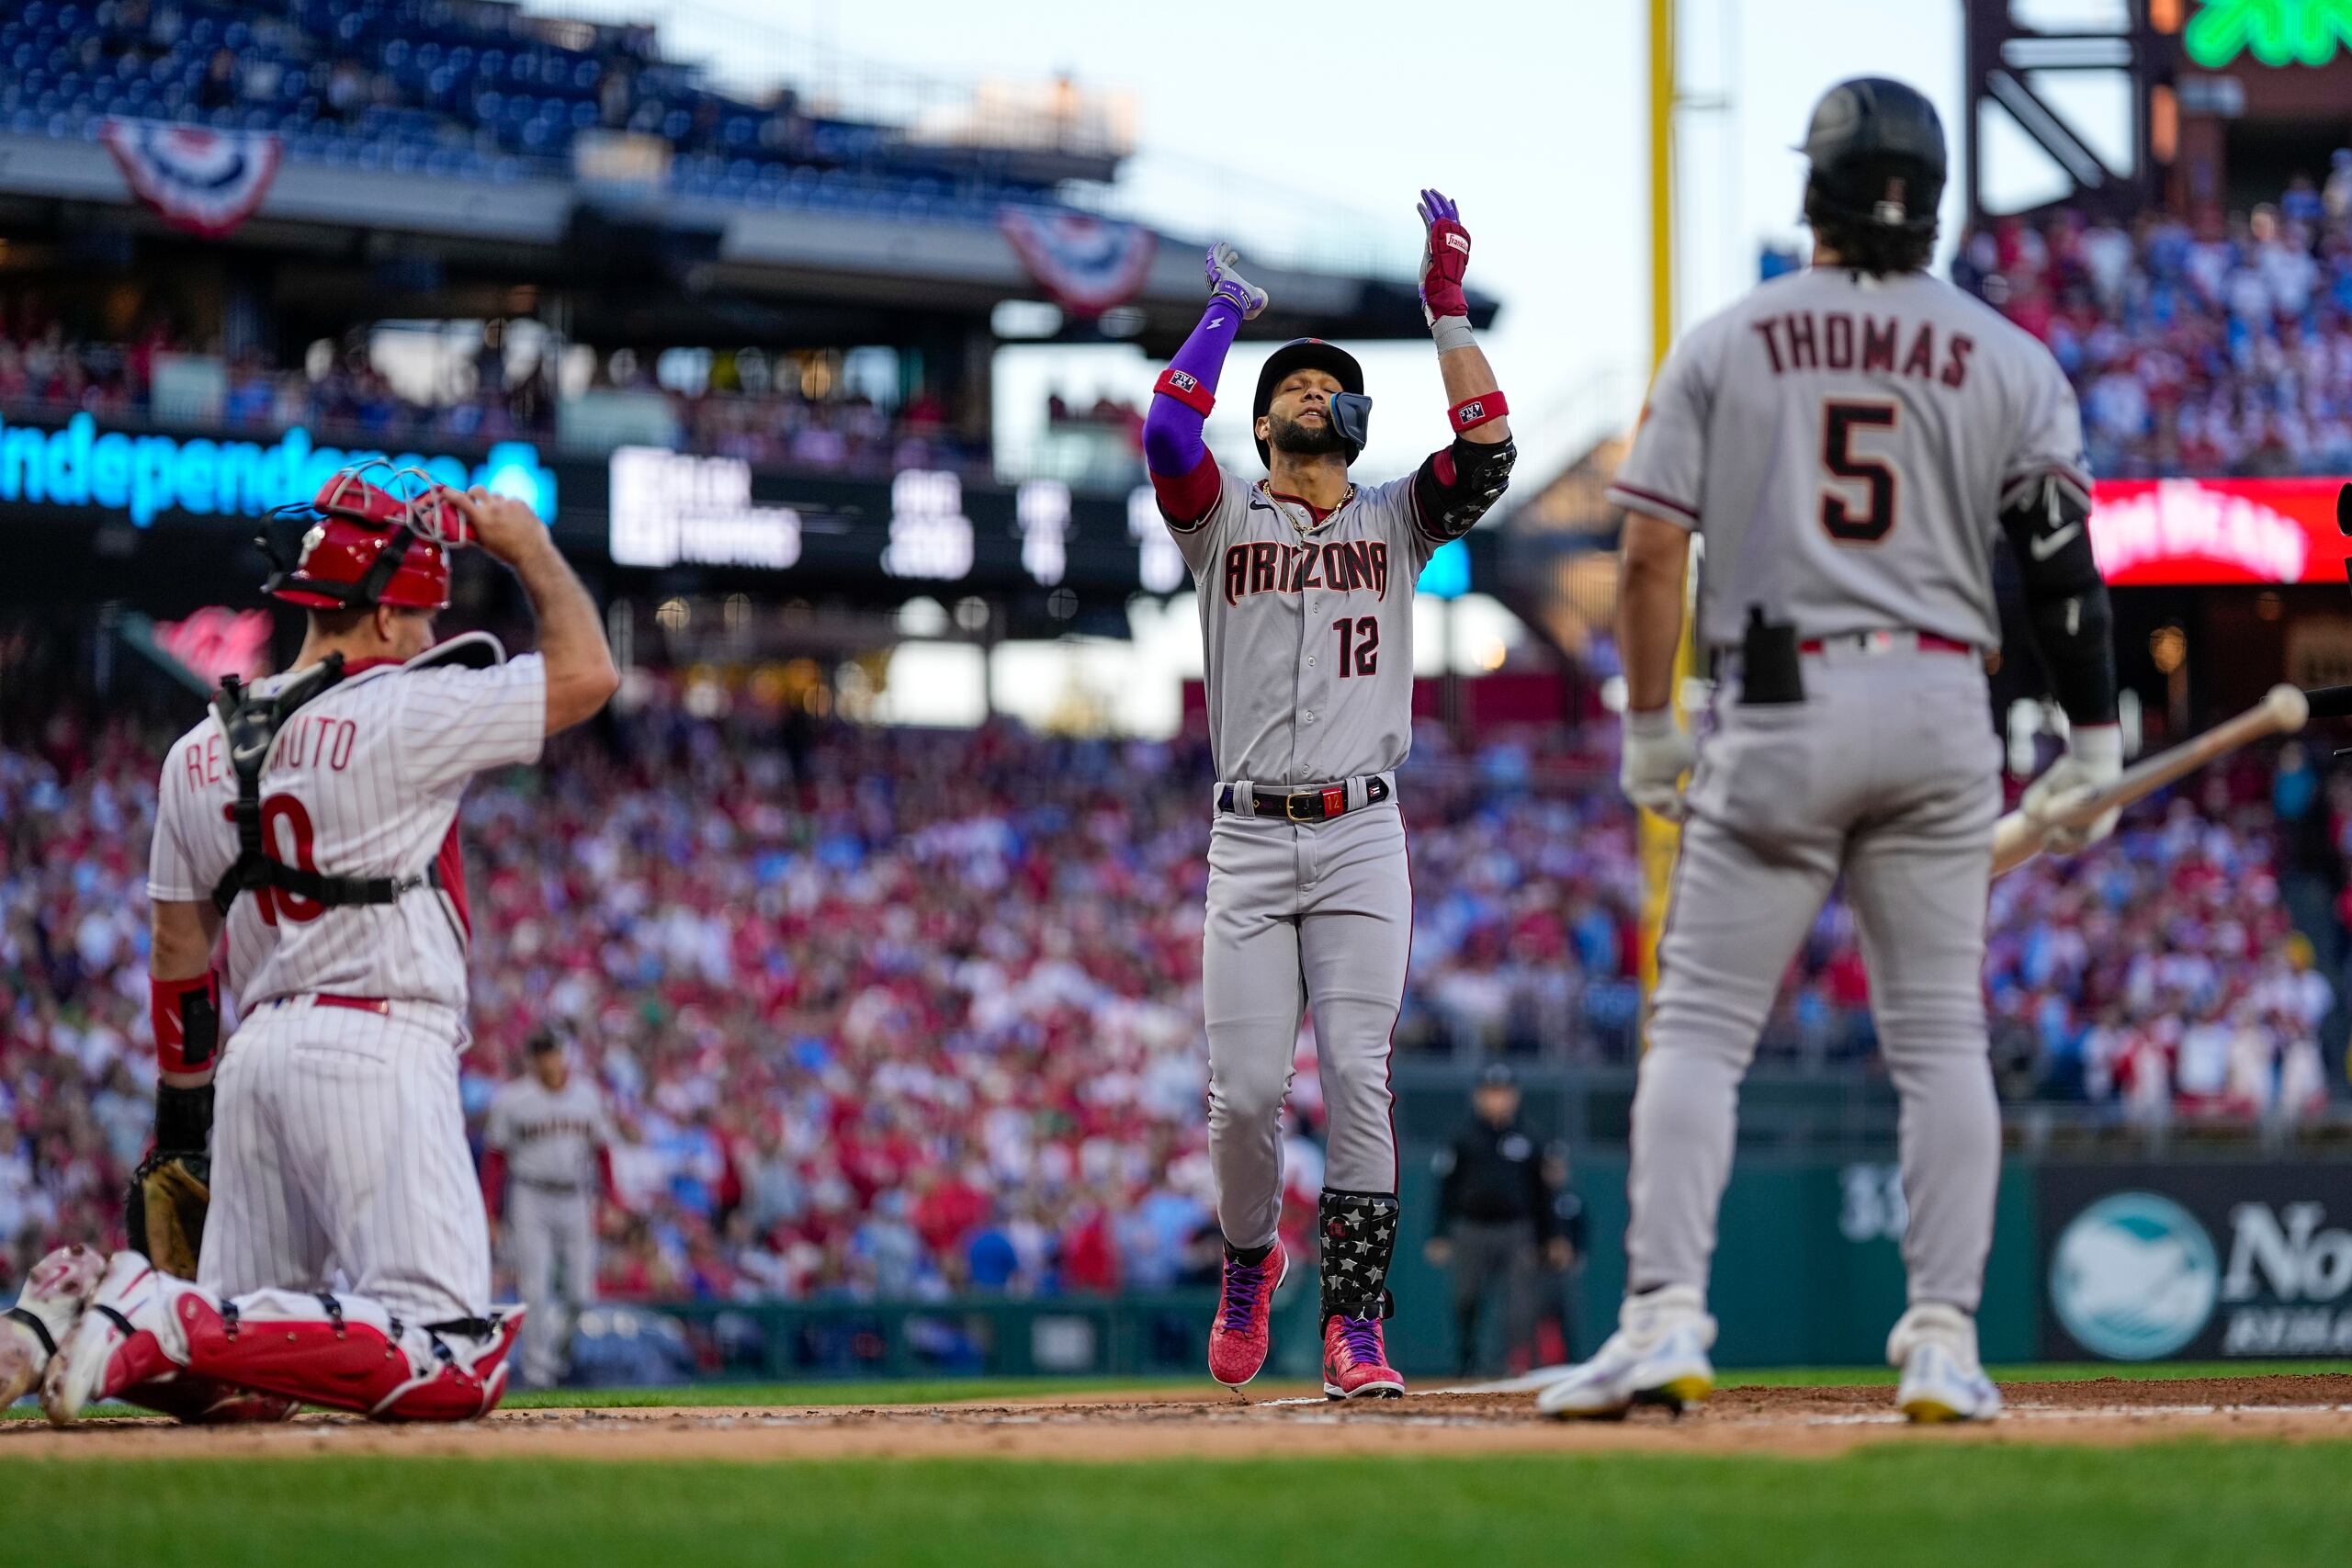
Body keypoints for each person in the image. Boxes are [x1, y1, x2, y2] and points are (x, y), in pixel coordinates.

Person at [1537, 77, 2118, 1426]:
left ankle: (1667, 1313)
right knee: (1939, 1040)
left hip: (1784, 700)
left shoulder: (1733, 339)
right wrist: (2091, 735)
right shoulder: (2012, 355)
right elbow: (2062, 568)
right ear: (1934, 199)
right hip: (1938, 707)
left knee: (1697, 1031)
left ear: (1817, 190)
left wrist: (1646, 726)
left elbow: (1643, 552)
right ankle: (1941, 1339)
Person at [27, 465, 618, 1425]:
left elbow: (180, 954)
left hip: (253, 1065)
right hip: (376, 1046)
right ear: (384, 619)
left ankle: (65, 1315)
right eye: (423, 617)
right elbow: (589, 672)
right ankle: (155, 1314)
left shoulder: (196, 749)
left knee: (248, 1392)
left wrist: (185, 1126)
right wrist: (530, 548)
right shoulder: (406, 708)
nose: (429, 636)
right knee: (448, 1358)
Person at [1143, 192, 1517, 1399]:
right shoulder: (1218, 518)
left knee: (1360, 1068)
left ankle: (1356, 1324)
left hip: (1362, 831)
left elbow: (1492, 448)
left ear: (1356, 417)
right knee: (1246, 1094)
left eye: (1329, 383)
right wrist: (1222, 318)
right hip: (1249, 836)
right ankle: (1250, 1258)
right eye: (1292, 385)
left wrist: (1446, 306)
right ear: (1260, 421)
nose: (1313, 390)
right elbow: (1164, 431)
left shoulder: (1400, 517)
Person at [482, 1029, 616, 1389]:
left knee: (580, 1294)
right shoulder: (513, 1099)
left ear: (563, 1054)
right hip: (530, 1196)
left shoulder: (587, 1095)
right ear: (532, 1058)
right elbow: (496, 1159)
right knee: (535, 1289)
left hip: (576, 1196)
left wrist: (612, 1201)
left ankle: (558, 1356)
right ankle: (540, 1373)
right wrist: (491, 1212)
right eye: (541, 1053)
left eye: (552, 1052)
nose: (548, 1060)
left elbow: (602, 1152)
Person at [1425, 1065, 1572, 1378]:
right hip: (1471, 1229)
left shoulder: (1531, 1137)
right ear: (1479, 1097)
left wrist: (1553, 1237)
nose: (1497, 1100)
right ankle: (1467, 1361)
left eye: (1503, 1093)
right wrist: (1439, 1234)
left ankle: (1508, 1365)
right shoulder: (1461, 1136)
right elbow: (1445, 1189)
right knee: (1467, 1299)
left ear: (1514, 1097)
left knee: (1519, 1306)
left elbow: (1545, 1194)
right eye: (1491, 1093)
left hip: (1517, 1231)